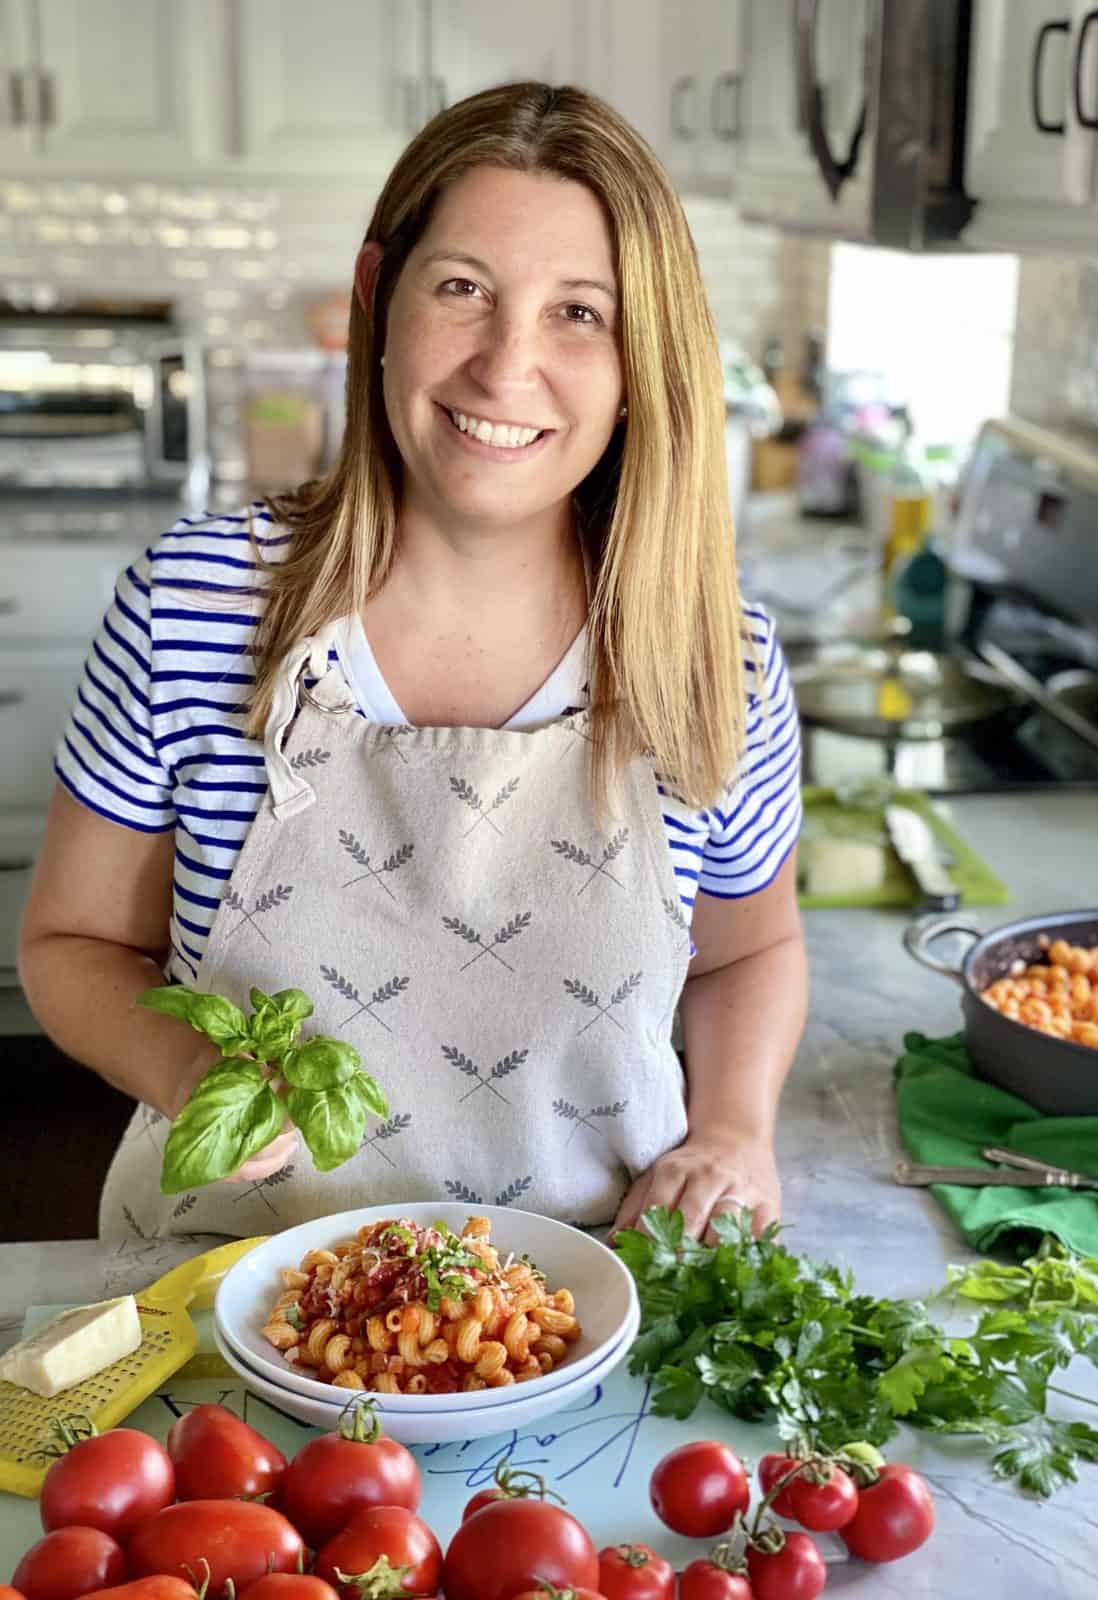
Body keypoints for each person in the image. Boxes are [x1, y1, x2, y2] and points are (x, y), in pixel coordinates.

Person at [19, 82, 808, 1246]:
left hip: (585, 1311)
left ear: (643, 364)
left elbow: (753, 951)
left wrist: (737, 1126)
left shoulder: (711, 655)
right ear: (375, 299)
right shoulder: (193, 608)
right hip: (229, 1297)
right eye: (464, 290)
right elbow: (70, 946)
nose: (505, 365)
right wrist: (187, 1068)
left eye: (579, 314)